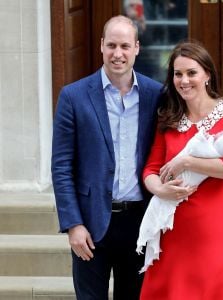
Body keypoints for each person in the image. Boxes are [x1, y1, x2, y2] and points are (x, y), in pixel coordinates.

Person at [51, 15, 162, 300]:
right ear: (101, 46)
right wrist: (73, 224)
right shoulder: (73, 96)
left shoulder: (156, 95)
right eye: (111, 45)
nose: (118, 53)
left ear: (137, 47)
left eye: (125, 46)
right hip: (90, 224)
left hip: (139, 222)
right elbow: (62, 167)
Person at [139, 41, 223, 300]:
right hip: (172, 238)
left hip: (215, 237)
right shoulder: (169, 117)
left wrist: (186, 162)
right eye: (178, 74)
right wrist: (160, 189)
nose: (184, 80)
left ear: (207, 75)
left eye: (192, 73)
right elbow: (151, 169)